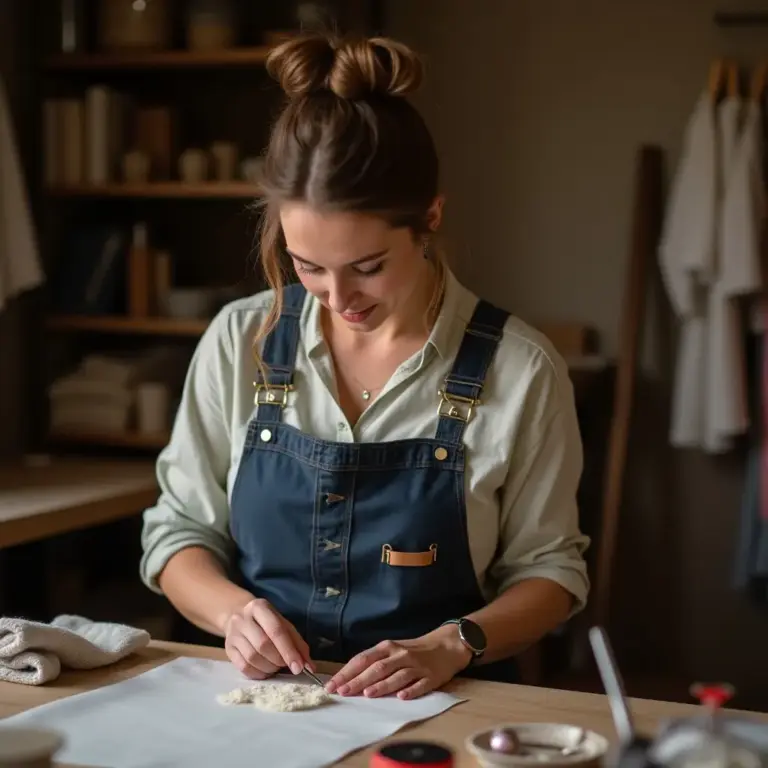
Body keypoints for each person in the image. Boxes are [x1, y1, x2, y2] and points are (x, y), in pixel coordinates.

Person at [139, 31, 590, 701]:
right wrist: (234, 613)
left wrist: (451, 643)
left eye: (368, 267)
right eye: (307, 267)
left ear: (429, 218)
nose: (339, 299)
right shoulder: (241, 342)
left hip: (441, 710)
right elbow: (177, 534)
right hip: (260, 708)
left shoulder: (521, 372)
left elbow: (552, 573)